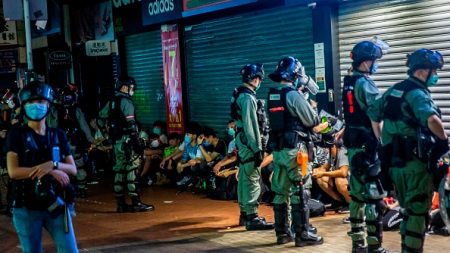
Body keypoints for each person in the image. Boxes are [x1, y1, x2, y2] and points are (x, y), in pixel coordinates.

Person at [368, 48, 448, 253]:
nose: (436, 76)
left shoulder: (393, 90)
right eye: (434, 71)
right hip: (415, 166)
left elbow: (374, 115)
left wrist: (382, 141)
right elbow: (432, 119)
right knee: (418, 214)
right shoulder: (417, 94)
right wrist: (444, 141)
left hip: (395, 165)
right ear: (423, 71)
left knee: (407, 211)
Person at [6, 81, 78, 252]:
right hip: (26, 208)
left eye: (40, 102)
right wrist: (50, 172)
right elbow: (13, 171)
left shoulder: (58, 135)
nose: (35, 106)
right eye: (30, 103)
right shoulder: (16, 134)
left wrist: (52, 165)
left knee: (69, 249)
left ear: (48, 104)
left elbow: (72, 169)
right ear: (23, 106)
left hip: (57, 204)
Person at [341, 39, 392, 253]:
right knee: (372, 196)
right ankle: (374, 246)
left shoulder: (348, 81)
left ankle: (357, 244)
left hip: (353, 145)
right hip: (367, 146)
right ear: (365, 62)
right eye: (373, 60)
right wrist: (381, 142)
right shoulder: (366, 83)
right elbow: (375, 116)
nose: (375, 64)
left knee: (356, 195)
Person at [266, 56, 323, 246]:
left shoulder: (272, 94)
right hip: (296, 151)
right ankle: (302, 234)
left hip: (279, 151)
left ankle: (282, 233)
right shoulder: (293, 95)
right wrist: (311, 106)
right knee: (301, 190)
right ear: (295, 75)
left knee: (280, 192)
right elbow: (312, 121)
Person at [99, 76, 153, 213]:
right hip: (127, 141)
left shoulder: (112, 101)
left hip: (116, 143)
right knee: (132, 170)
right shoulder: (126, 102)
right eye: (132, 88)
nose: (132, 90)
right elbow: (131, 125)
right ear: (125, 87)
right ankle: (136, 202)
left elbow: (100, 118)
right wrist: (137, 144)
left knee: (119, 171)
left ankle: (120, 204)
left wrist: (107, 133)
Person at [230, 63, 273, 231]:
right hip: (249, 143)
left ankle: (244, 213)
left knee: (245, 178)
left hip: (242, 141)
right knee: (252, 178)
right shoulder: (248, 98)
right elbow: (251, 126)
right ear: (255, 79)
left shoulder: (239, 94)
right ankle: (252, 216)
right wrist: (257, 149)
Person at [47, 84, 94, 198]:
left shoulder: (54, 110)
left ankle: (62, 188)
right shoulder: (75, 110)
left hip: (59, 144)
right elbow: (84, 126)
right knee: (78, 165)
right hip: (73, 143)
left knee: (59, 165)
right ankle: (81, 189)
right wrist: (90, 140)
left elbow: (50, 126)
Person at [312, 137, 351, 211]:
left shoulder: (343, 152)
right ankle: (338, 201)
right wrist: (316, 171)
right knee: (320, 179)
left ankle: (350, 203)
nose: (328, 149)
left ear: (335, 146)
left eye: (330, 147)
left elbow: (343, 173)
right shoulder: (332, 154)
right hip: (339, 181)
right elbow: (325, 167)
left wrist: (323, 173)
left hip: (350, 181)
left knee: (339, 180)